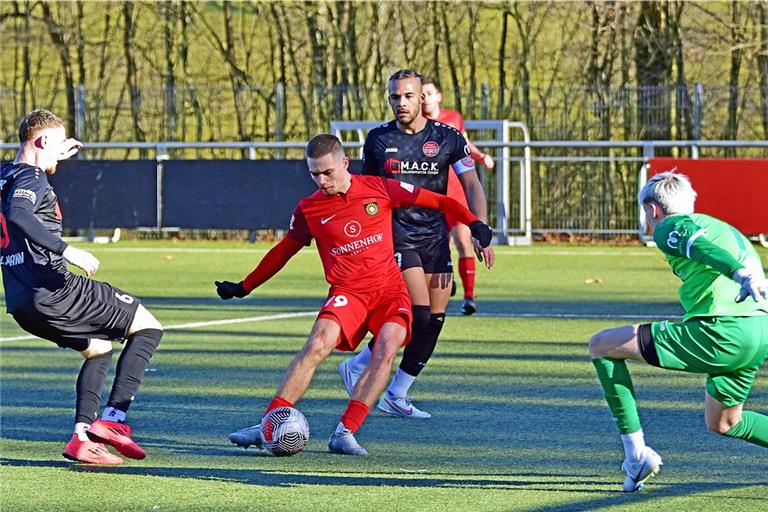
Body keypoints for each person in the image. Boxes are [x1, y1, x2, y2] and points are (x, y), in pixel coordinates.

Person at [217, 134, 492, 455]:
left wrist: (474, 224)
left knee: (387, 348)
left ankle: (345, 432)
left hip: (390, 293)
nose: (322, 180)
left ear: (344, 163)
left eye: (328, 172)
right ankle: (268, 424)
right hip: (348, 294)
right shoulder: (310, 209)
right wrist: (244, 286)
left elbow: (440, 201)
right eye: (314, 174)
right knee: (317, 344)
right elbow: (282, 252)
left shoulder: (379, 188)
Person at [0, 109, 163, 465]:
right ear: (42, 141)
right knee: (148, 326)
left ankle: (81, 438)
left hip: (20, 301)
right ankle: (114, 421)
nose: (62, 151)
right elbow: (19, 213)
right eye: (57, 143)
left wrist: (56, 150)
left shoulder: (5, 174)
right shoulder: (32, 179)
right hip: (54, 289)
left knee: (99, 348)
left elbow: (15, 196)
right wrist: (68, 249)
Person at [589, 171, 768, 492]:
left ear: (652, 210)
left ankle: (636, 456)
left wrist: (739, 273)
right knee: (726, 422)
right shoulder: (721, 227)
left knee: (602, 345)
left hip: (721, 331)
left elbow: (699, 247)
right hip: (758, 331)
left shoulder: (669, 225)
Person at [338, 69, 495, 420]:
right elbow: (368, 193)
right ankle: (362, 365)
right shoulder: (378, 139)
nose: (401, 103)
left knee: (433, 321)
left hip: (435, 237)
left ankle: (396, 392)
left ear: (422, 98)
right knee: (417, 313)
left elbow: (471, 183)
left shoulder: (448, 137)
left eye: (408, 96)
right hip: (396, 235)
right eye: (395, 97)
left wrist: (479, 226)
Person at [421, 76, 495, 315]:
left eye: (429, 93)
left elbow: (464, 144)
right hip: (429, 195)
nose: (424, 99)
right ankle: (445, 278)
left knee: (463, 241)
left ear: (438, 96)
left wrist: (480, 157)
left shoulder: (453, 119)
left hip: (454, 191)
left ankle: (469, 296)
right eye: (420, 95)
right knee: (432, 248)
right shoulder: (415, 125)